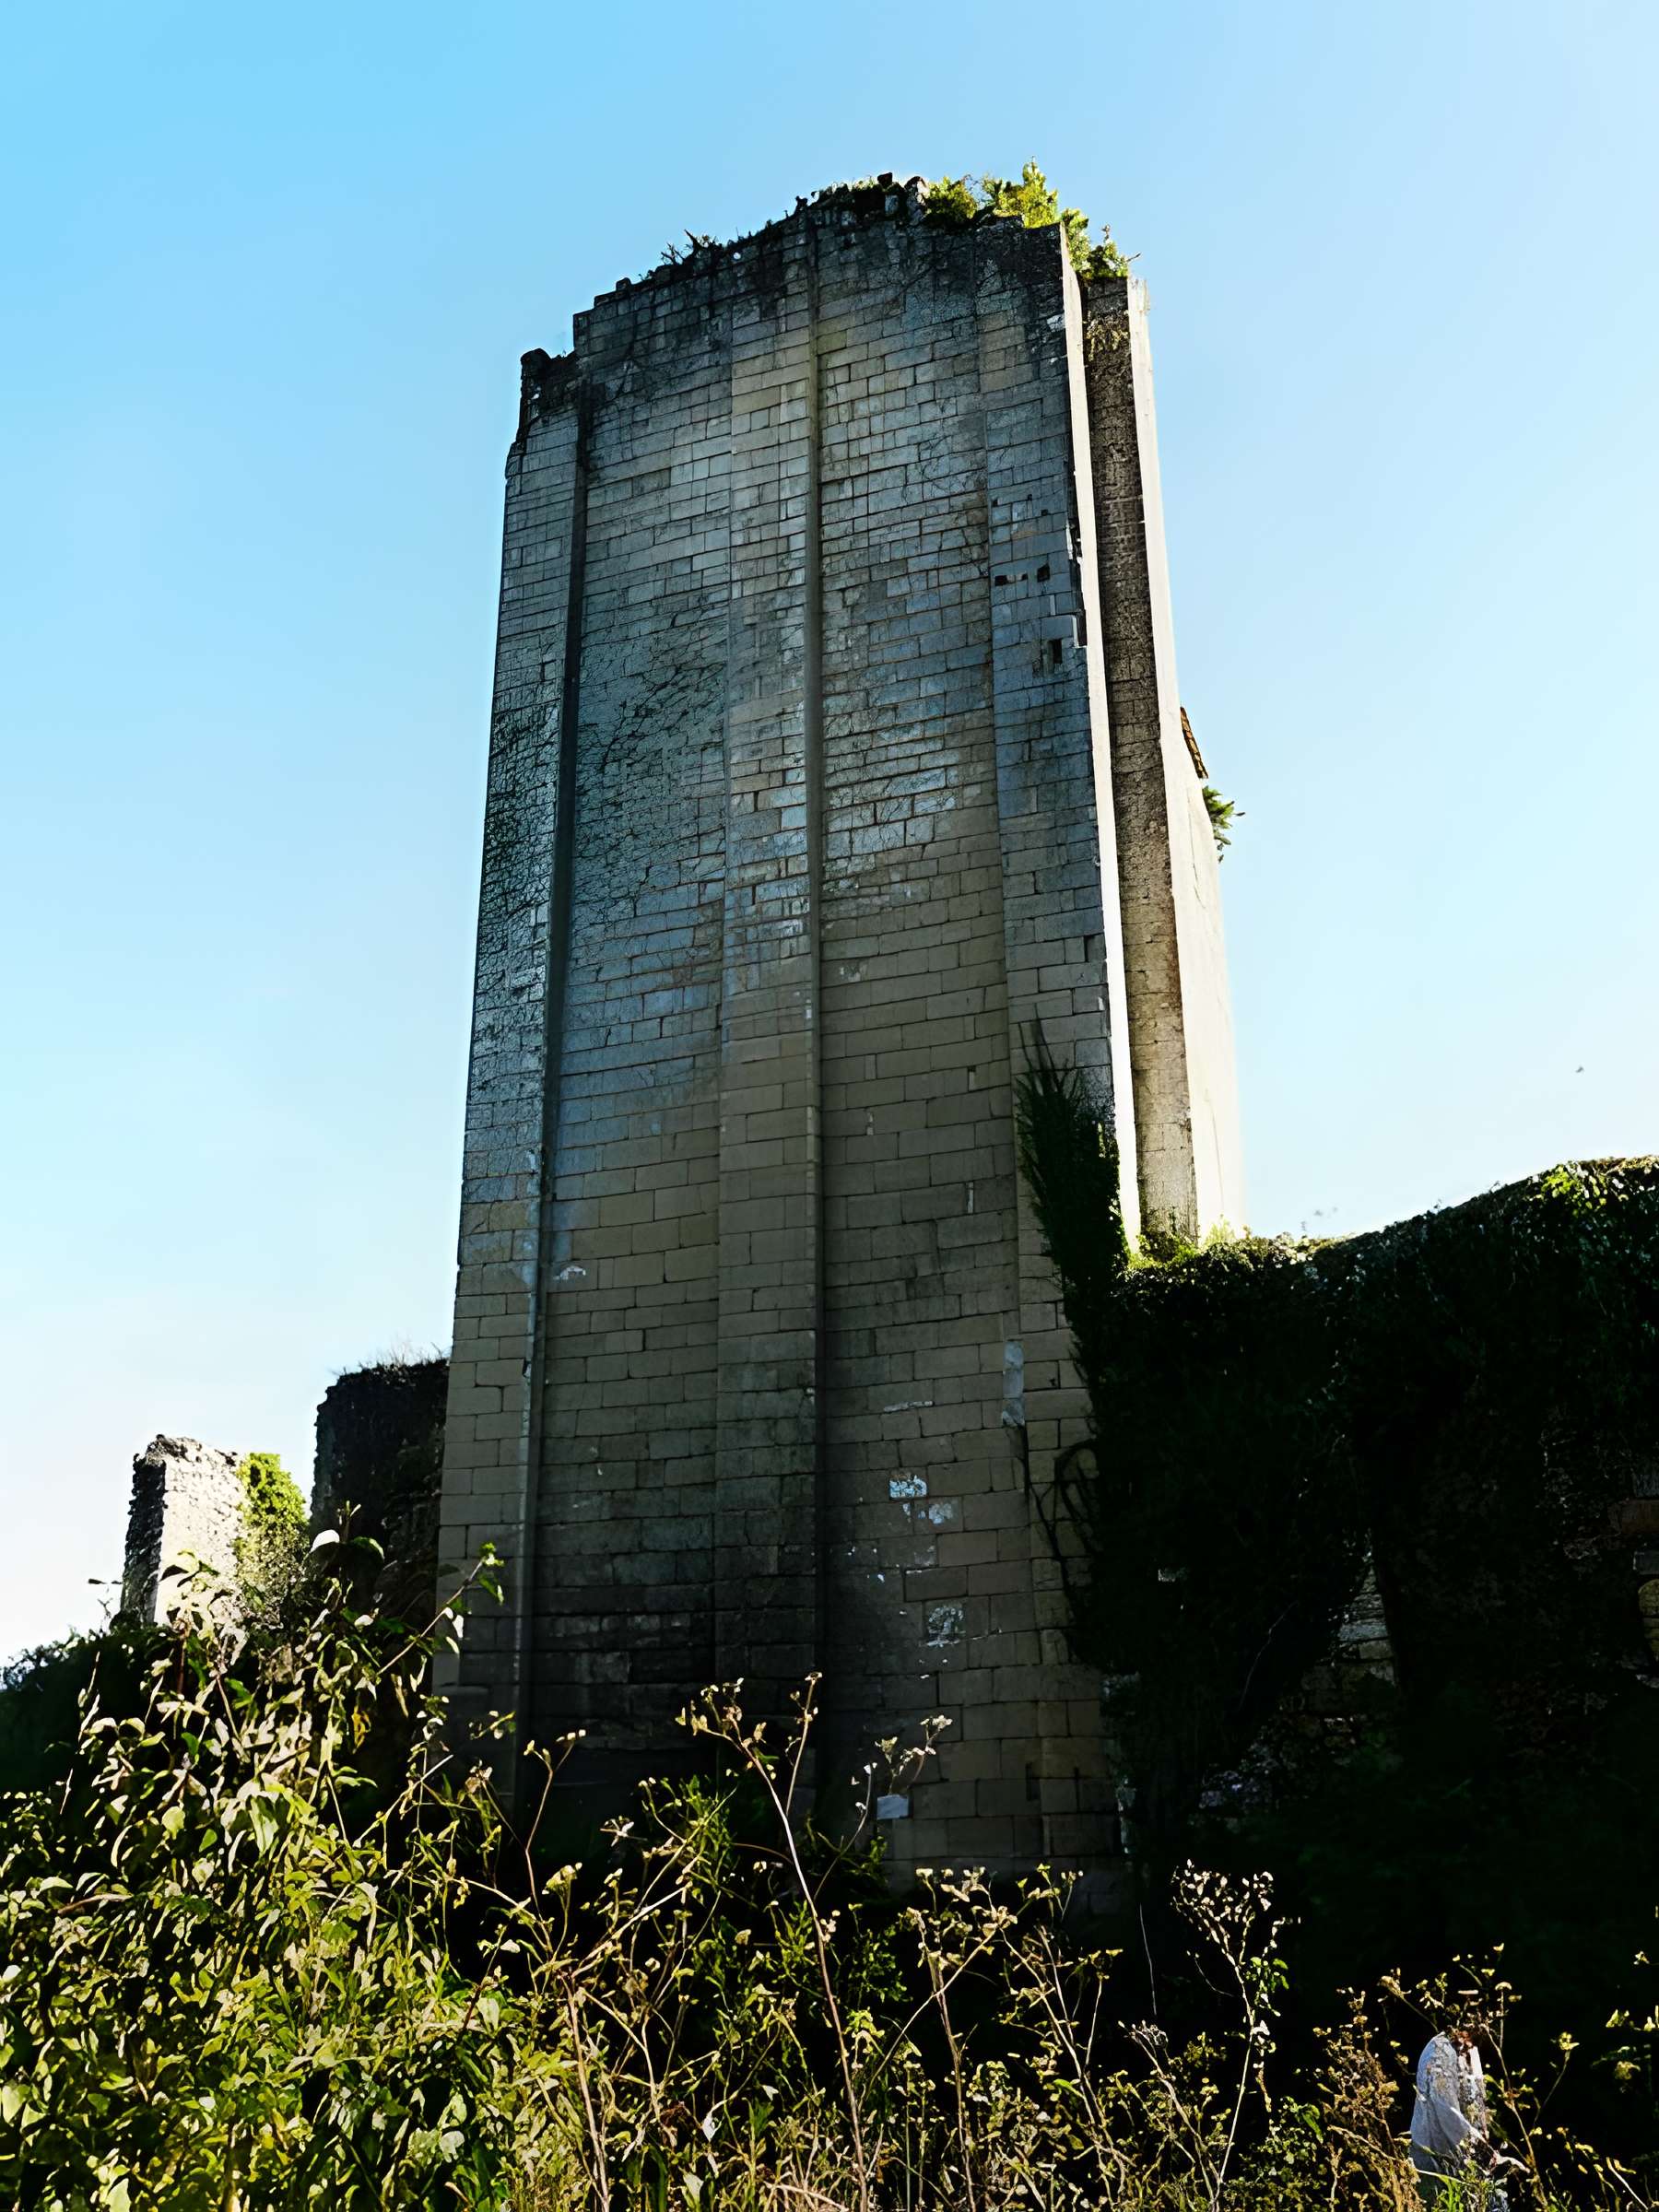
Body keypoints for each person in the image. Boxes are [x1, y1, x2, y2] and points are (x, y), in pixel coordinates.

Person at [1410, 2018, 1509, 2207]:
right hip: (1436, 2163)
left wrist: (1484, 2140)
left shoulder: (1471, 2051)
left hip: (1465, 2164)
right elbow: (1446, 2110)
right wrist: (1482, 2151)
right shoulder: (1439, 2050)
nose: (1487, 2024)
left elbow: (1476, 2104)